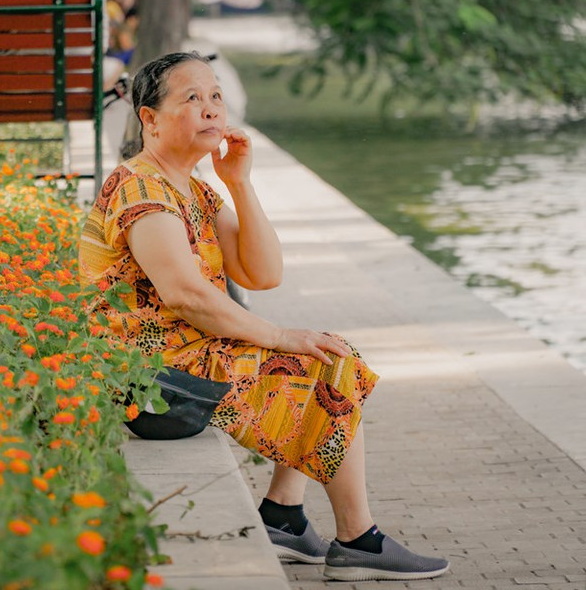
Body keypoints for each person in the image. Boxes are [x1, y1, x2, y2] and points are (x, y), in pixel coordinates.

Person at [78, 52, 450, 582]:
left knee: (329, 355)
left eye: (216, 97)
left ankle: (283, 515)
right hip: (149, 380)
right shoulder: (140, 186)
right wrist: (280, 336)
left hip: (181, 362)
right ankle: (357, 539)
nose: (210, 109)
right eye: (192, 98)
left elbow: (263, 273)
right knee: (322, 365)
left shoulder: (197, 190)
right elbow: (185, 295)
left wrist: (240, 184)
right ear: (150, 120)